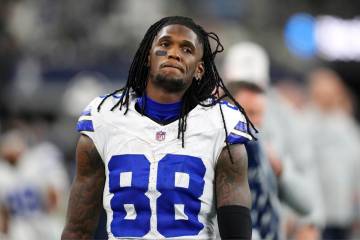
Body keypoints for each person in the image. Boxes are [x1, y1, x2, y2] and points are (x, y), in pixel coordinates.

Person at [61, 16, 256, 240]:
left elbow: (237, 233)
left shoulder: (221, 124)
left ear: (199, 69)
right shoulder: (105, 118)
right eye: (165, 44)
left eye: (187, 49)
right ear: (148, 57)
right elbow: (78, 230)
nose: (174, 53)